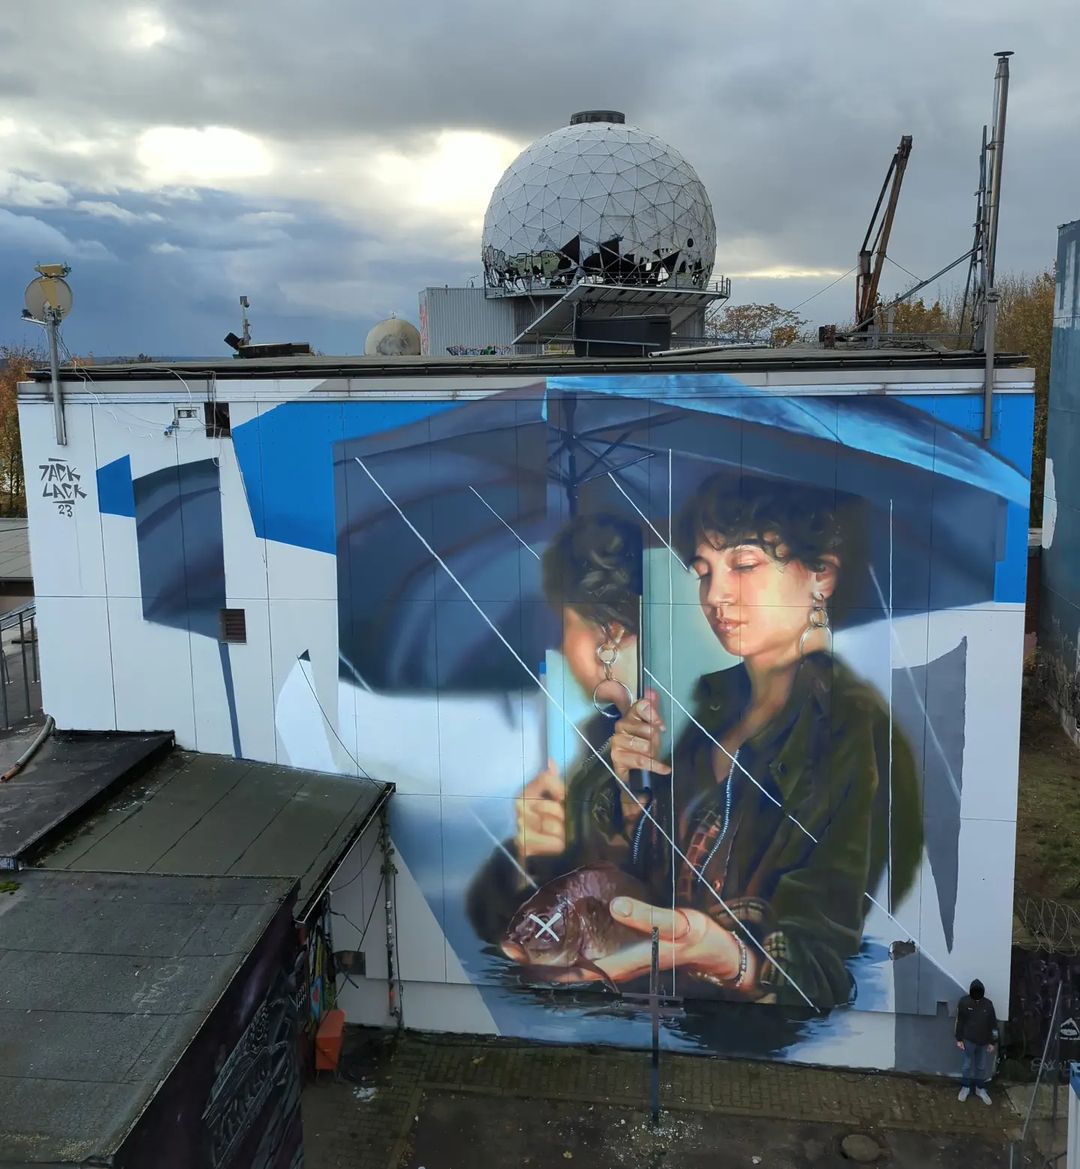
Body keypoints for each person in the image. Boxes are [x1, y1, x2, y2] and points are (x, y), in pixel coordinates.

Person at [575, 474, 924, 1010]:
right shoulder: (715, 708)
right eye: (703, 572)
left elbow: (820, 954)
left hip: (764, 1037)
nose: (715, 595)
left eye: (743, 565)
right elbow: (653, 879)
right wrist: (625, 792)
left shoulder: (849, 730)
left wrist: (735, 962)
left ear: (821, 575)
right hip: (668, 1006)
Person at [466, 513, 643, 941]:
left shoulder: (687, 748)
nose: (562, 647)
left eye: (568, 627)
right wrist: (534, 857)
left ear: (610, 635)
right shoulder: (599, 741)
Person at [955, 979, 997, 1104]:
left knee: (981, 1066)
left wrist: (993, 1042)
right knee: (966, 1066)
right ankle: (965, 1087)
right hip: (968, 1041)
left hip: (983, 1042)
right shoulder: (964, 1002)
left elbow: (993, 1024)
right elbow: (959, 1021)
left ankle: (980, 1089)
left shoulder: (988, 1005)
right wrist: (958, 1039)